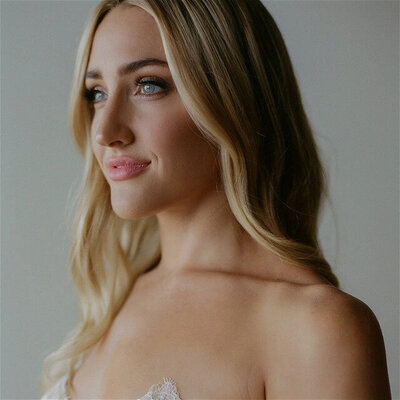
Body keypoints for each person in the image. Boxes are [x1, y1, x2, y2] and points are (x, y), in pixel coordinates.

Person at [40, 0, 392, 398]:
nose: (105, 132)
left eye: (148, 85)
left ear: (233, 98)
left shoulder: (314, 329)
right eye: (97, 93)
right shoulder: (113, 299)